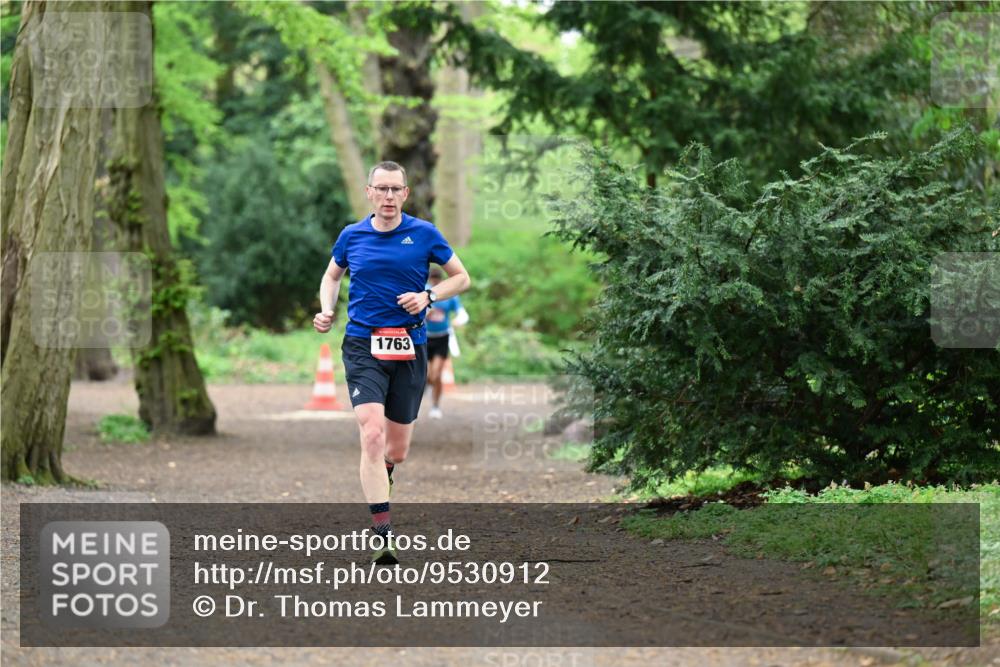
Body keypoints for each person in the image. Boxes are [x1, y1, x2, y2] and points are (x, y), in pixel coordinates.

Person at [312, 161, 471, 565]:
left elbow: (461, 278)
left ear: (405, 194)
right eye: (381, 188)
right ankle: (382, 535)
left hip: (409, 346)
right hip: (362, 344)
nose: (388, 196)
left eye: (395, 189)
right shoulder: (351, 235)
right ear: (369, 192)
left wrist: (428, 296)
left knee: (396, 451)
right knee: (371, 432)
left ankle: (385, 474)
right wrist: (327, 309)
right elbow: (332, 276)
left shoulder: (424, 234)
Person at [424, 267, 468, 419]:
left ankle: (435, 406)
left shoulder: (448, 294)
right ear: (429, 280)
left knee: (436, 374)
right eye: (432, 281)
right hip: (424, 337)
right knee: (427, 375)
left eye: (437, 281)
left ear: (441, 280)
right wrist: (425, 314)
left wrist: (457, 321)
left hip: (442, 337)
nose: (435, 283)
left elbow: (462, 314)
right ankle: (427, 385)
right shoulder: (423, 292)